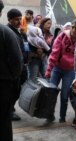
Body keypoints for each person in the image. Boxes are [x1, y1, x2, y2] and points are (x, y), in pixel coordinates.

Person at [45, 19, 76, 123]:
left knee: (65, 95)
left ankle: (62, 117)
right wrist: (49, 70)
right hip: (57, 68)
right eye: (73, 27)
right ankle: (50, 115)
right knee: (52, 92)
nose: (74, 30)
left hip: (70, 71)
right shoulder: (61, 36)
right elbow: (54, 54)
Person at [0, 1, 23, 140]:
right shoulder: (6, 33)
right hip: (4, 85)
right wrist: (13, 78)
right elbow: (17, 61)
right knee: (3, 121)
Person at [6, 8, 29, 121]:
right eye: (16, 19)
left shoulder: (19, 31)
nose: (19, 21)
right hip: (13, 69)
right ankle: (9, 111)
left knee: (19, 89)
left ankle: (10, 108)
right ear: (9, 19)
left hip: (22, 66)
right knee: (13, 91)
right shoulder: (7, 32)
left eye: (20, 19)